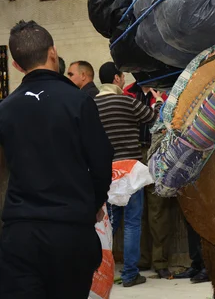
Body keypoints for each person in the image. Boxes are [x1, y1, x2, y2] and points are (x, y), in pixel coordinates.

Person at [0, 21, 113, 298]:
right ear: (53, 53)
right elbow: (101, 163)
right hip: (70, 231)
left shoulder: (5, 109)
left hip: (20, 235)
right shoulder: (78, 102)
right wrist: (93, 204)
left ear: (16, 66)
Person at [95, 62, 163, 288]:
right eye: (122, 77)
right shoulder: (126, 101)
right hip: (130, 170)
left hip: (106, 172)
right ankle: (130, 274)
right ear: (116, 78)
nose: (123, 81)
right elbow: (153, 120)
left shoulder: (91, 104)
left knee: (109, 224)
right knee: (133, 222)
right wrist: (160, 102)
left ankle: (97, 270)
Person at [123, 82, 173, 279]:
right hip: (132, 153)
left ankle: (160, 261)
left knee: (157, 208)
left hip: (155, 153)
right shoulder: (128, 93)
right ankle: (140, 259)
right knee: (135, 210)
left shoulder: (164, 93)